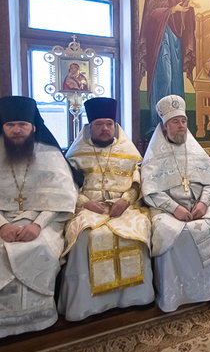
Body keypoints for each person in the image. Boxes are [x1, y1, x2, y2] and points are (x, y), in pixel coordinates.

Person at [0, 96, 76, 339]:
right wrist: (2, 226)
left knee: (40, 248)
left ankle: (39, 317)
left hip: (43, 221)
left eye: (22, 125)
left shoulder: (50, 154)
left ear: (33, 127)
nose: (16, 130)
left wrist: (37, 225)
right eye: (11, 125)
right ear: (2, 127)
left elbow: (62, 197)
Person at [58, 97, 153, 320]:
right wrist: (84, 202)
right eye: (99, 124)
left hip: (126, 209)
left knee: (136, 233)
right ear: (90, 127)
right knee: (84, 236)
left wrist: (126, 200)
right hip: (87, 210)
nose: (105, 128)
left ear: (115, 126)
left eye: (109, 124)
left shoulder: (129, 152)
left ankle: (133, 298)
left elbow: (139, 181)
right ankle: (86, 305)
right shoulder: (75, 155)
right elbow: (66, 186)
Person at [141, 95, 210, 311]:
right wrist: (175, 209)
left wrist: (204, 203)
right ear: (165, 127)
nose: (181, 125)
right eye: (175, 122)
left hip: (199, 206)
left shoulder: (195, 150)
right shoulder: (154, 155)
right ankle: (177, 294)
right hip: (166, 210)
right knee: (173, 232)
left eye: (183, 121)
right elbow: (152, 191)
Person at [138, 0, 198, 131]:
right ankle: (158, 123)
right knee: (164, 74)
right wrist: (172, 10)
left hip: (175, 35)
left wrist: (188, 6)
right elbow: (153, 9)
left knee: (176, 78)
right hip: (161, 34)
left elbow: (179, 5)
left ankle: (177, 121)